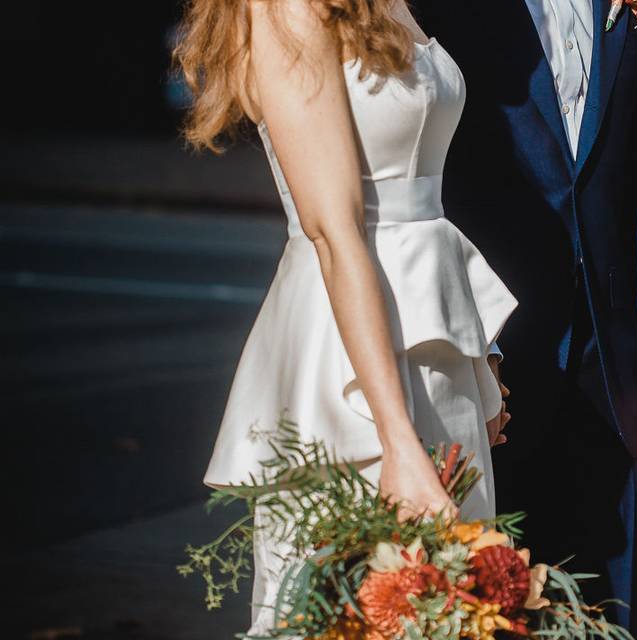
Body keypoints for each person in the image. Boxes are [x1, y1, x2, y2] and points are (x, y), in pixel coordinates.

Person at [174, 0, 517, 634]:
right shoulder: (284, 9)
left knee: (457, 613)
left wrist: (478, 359)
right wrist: (398, 440)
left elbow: (425, 208)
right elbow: (334, 235)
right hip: (350, 369)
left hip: (437, 358)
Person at [410, 0, 637, 634]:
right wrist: (469, 350)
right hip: (488, 367)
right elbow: (422, 178)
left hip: (610, 379)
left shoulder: (633, 10)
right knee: (481, 610)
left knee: (605, 612)